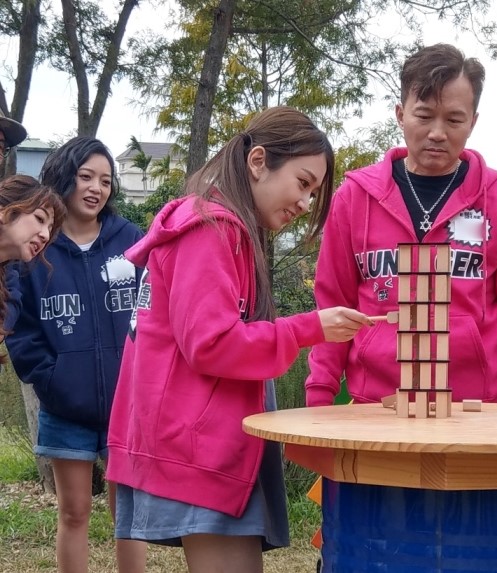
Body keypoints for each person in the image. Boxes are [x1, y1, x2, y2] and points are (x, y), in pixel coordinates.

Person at [105, 106, 372, 573]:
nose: (306, 203)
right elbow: (212, 345)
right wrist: (311, 327)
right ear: (258, 161)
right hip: (199, 449)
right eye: (303, 182)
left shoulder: (222, 228)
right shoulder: (211, 230)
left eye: (314, 191)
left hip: (202, 443)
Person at [306, 43, 497, 407]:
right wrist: (319, 396)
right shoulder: (355, 199)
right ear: (400, 114)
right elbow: (332, 306)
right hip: (375, 411)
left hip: (476, 414)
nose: (438, 132)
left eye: (454, 119)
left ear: (473, 121)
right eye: (424, 116)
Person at [5, 137, 147, 573]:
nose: (95, 188)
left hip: (129, 404)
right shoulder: (36, 243)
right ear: (64, 176)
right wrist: (51, 379)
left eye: (105, 180)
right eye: (85, 176)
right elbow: (21, 330)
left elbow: (155, 311)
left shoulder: (132, 240)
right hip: (64, 405)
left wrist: (143, 376)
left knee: (129, 518)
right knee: (74, 512)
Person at [0, 174, 65, 339]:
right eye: (39, 218)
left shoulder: (9, 282)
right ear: (3, 209)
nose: (45, 235)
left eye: (50, 229)